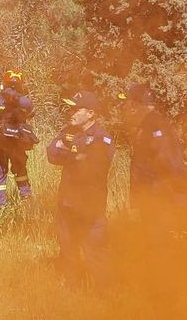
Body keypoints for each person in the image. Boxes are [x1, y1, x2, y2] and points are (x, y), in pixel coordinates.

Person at [47, 91, 115, 287]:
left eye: (77, 109)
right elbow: (52, 154)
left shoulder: (103, 138)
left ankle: (107, 294)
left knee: (95, 250)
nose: (72, 112)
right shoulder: (68, 131)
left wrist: (67, 152)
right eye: (71, 108)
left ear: (91, 113)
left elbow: (94, 165)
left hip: (89, 206)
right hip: (67, 202)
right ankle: (73, 289)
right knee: (67, 247)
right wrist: (75, 156)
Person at [118, 83, 187, 238]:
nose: (124, 107)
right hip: (151, 200)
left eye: (126, 102)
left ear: (135, 105)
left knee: (160, 249)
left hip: (161, 201)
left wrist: (179, 200)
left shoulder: (157, 126)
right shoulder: (146, 125)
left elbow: (172, 164)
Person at [0, 70, 38, 208]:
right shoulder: (26, 101)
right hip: (18, 140)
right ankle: (26, 199)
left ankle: (0, 205)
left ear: (4, 83)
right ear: (21, 84)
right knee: (20, 168)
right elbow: (32, 113)